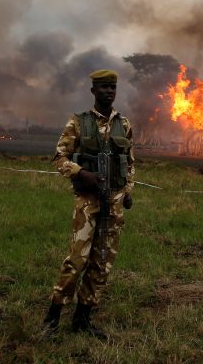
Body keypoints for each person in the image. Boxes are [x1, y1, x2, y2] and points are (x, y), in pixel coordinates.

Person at [40, 69, 135, 339]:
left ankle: (83, 318)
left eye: (112, 88)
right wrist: (81, 173)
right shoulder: (78, 123)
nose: (109, 92)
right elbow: (59, 157)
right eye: (103, 87)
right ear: (93, 90)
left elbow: (129, 163)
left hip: (113, 203)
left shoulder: (124, 124)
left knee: (102, 263)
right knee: (76, 260)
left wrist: (128, 190)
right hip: (87, 203)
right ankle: (53, 316)